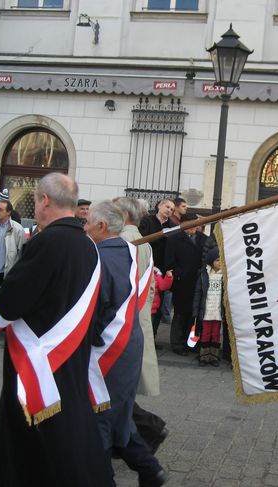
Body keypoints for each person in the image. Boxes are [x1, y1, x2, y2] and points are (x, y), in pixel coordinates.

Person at [0, 172, 114, 486]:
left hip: (38, 360)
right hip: (71, 354)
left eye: (35, 199)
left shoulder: (47, 241)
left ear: (44, 200)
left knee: (32, 441)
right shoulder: (88, 245)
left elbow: (8, 302)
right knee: (68, 432)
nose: (35, 205)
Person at [85, 201, 168, 487]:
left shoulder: (101, 258)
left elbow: (97, 307)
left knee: (102, 417)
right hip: (128, 341)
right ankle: (149, 469)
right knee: (117, 415)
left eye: (87, 223)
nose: (84, 228)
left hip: (110, 346)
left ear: (101, 226)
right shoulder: (126, 251)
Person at [114, 196, 170, 453]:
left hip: (123, 321)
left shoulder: (126, 240)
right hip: (135, 317)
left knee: (114, 390)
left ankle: (147, 429)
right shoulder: (137, 238)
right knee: (117, 388)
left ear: (124, 214)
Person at [164, 213, 206, 355]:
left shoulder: (203, 239)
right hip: (182, 283)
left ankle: (192, 343)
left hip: (198, 282)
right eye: (191, 223)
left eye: (196, 223)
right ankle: (177, 344)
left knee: (195, 314)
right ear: (183, 225)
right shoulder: (174, 239)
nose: (195, 226)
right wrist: (179, 274)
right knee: (181, 313)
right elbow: (169, 262)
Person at [139, 199, 175, 334]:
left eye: (172, 209)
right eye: (167, 207)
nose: (169, 210)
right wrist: (160, 235)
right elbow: (142, 239)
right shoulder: (147, 221)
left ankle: (152, 335)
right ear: (159, 206)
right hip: (146, 265)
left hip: (161, 268)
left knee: (158, 304)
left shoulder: (172, 225)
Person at [193, 246, 224, 366]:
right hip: (206, 310)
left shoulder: (224, 276)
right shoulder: (204, 274)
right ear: (211, 261)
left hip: (218, 310)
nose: (220, 262)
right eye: (217, 260)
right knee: (205, 333)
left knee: (216, 334)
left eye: (221, 260)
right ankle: (204, 356)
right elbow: (198, 293)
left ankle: (214, 356)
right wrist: (195, 310)